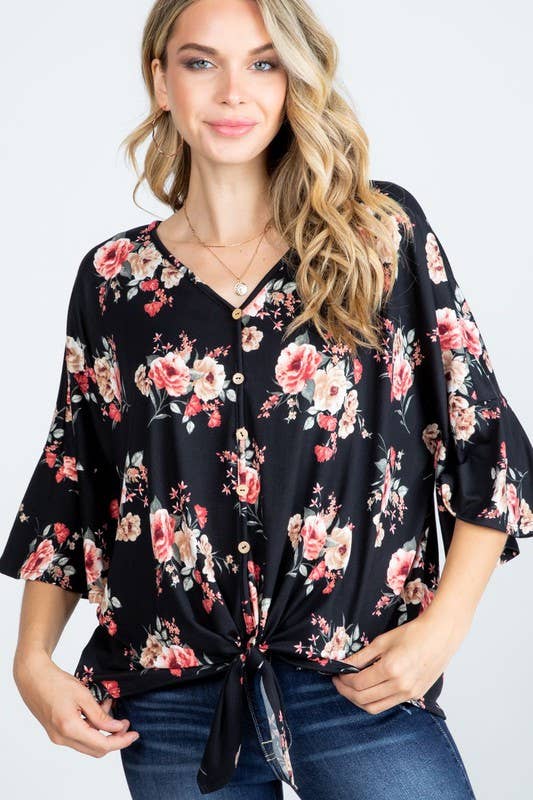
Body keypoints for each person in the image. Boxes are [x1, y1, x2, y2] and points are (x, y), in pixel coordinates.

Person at [1, 1, 532, 798]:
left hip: (359, 676)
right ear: (161, 83)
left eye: (262, 62)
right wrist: (31, 661)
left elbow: (481, 435)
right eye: (200, 62)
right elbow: (77, 477)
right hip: (175, 698)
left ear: (293, 81)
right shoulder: (113, 280)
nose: (231, 91)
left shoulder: (376, 238)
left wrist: (442, 630)